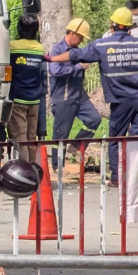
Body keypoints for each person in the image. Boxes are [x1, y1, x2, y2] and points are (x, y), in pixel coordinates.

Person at [47, 7, 138, 187]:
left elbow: (75, 55)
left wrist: (51, 59)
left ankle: (117, 177)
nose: (82, 40)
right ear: (130, 28)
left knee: (113, 137)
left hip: (118, 101)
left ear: (112, 25)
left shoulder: (102, 46)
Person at [48, 18, 101, 168]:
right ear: (72, 33)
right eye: (80, 37)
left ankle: (76, 145)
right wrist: (78, 67)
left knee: (94, 119)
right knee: (61, 135)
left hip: (79, 95)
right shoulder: (57, 50)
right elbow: (55, 70)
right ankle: (57, 167)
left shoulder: (78, 51)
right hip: (64, 97)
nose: (81, 40)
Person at [8, 15, 45, 162]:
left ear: (19, 29)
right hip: (34, 100)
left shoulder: (12, 47)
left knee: (20, 137)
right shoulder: (40, 49)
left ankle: (23, 170)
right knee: (31, 137)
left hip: (18, 99)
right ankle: (32, 167)